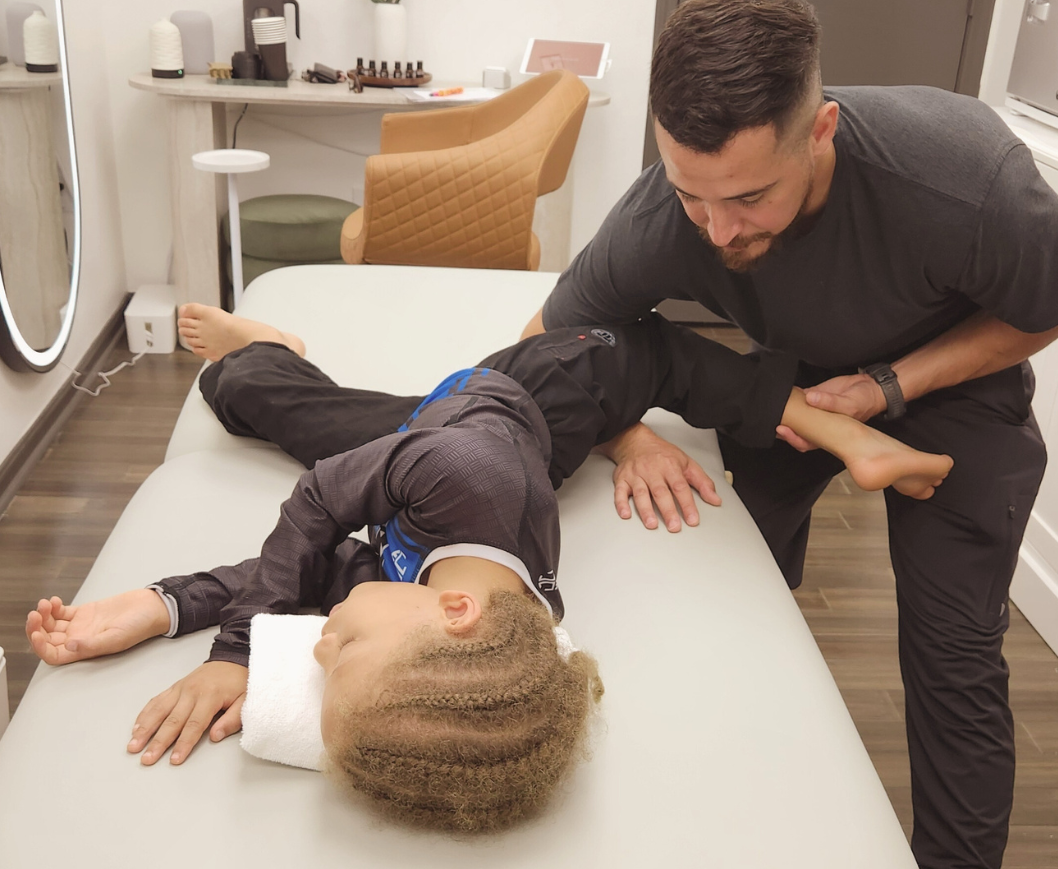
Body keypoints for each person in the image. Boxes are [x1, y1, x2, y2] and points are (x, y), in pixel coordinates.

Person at [523, 0, 1058, 869]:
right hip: (787, 384)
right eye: (692, 195)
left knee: (953, 658)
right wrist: (628, 434)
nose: (717, 230)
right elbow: (548, 346)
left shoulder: (965, 180)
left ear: (821, 132)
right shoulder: (668, 213)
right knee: (741, 591)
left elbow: (1054, 306)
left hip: (955, 387)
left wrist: (889, 387)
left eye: (748, 197)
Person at [27, 302, 950, 829]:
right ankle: (841, 430)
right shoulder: (461, 476)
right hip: (539, 390)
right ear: (456, 615)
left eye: (323, 661)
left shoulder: (479, 631)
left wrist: (156, 606)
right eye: (343, 655)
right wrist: (236, 651)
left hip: (428, 434)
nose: (318, 647)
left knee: (240, 390)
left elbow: (322, 573)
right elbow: (314, 510)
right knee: (662, 362)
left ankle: (280, 356)